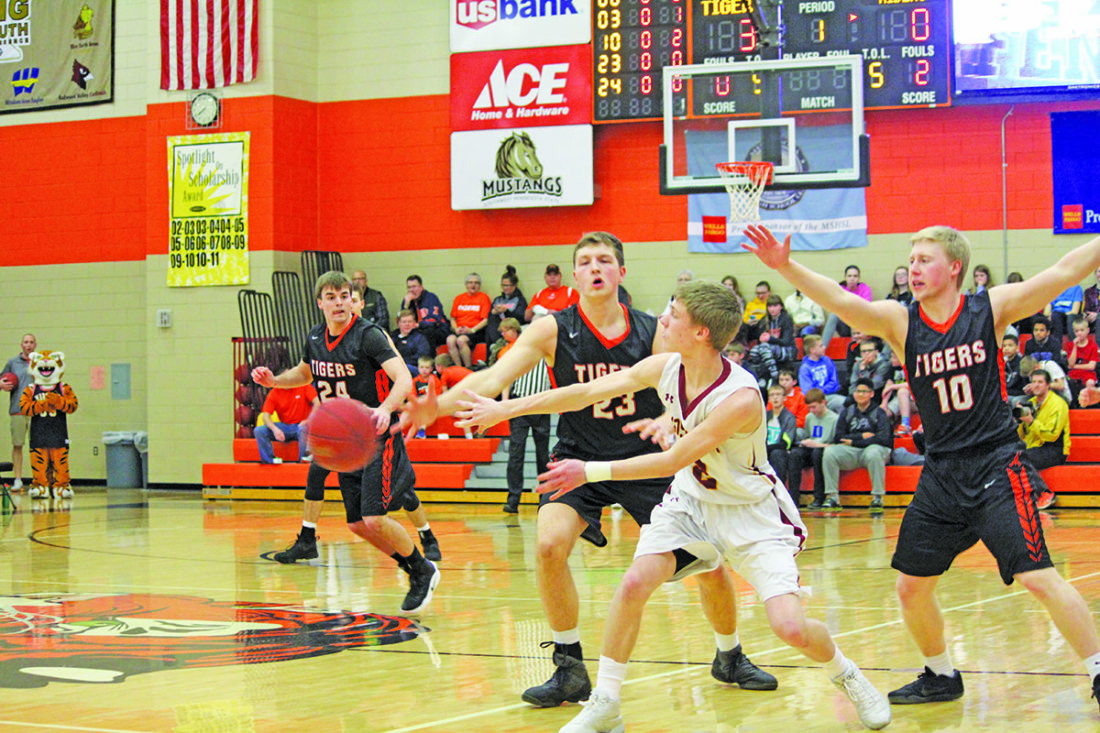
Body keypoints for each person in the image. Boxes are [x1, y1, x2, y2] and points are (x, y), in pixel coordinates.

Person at [454, 280, 891, 732]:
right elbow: (586, 392)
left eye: (673, 313)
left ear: (701, 332)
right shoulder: (666, 365)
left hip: (750, 514)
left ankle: (850, 676)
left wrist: (588, 470)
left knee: (790, 628)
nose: (662, 318)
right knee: (633, 584)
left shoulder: (739, 398)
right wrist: (507, 409)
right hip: (691, 501)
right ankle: (605, 703)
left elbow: (672, 459)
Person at [404, 232, 772, 708]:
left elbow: (685, 382)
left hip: (643, 460)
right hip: (577, 456)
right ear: (574, 275)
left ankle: (729, 654)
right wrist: (437, 408)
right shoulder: (551, 329)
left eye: (604, 260)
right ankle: (569, 666)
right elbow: (490, 380)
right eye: (585, 261)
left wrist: (665, 420)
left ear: (621, 272)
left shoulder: (653, 330)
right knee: (549, 543)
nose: (595, 267)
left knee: (707, 563)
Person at [743, 221, 1100, 712]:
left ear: (954, 267)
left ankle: (1098, 670)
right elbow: (845, 304)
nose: (914, 268)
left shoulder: (988, 308)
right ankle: (940, 674)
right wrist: (785, 266)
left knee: (1038, 576)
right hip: (942, 473)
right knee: (911, 587)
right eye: (911, 260)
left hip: (996, 463)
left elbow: (1064, 270)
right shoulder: (900, 320)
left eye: (925, 259)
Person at [253, 271, 440, 614]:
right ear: (320, 302)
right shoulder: (314, 337)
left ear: (352, 299)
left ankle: (421, 567)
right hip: (346, 445)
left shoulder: (368, 335)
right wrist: (275, 381)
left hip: (378, 437)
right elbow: (305, 372)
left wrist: (385, 409)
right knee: (356, 524)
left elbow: (403, 378)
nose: (338, 302)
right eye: (331, 296)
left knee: (373, 518)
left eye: (344, 295)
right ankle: (415, 566)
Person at [821, 378, 893, 513]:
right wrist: (860, 437)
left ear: (871, 394)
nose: (860, 394)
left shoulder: (879, 413)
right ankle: (832, 497)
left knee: (873, 452)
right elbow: (838, 437)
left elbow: (883, 439)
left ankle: (877, 496)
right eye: (858, 391)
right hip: (852, 452)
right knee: (830, 452)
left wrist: (854, 441)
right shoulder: (848, 412)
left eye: (864, 392)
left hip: (874, 450)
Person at [503, 352, 552, 514]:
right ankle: (513, 500)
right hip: (519, 406)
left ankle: (545, 499)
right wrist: (504, 403)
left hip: (542, 406)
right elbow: (507, 377)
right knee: (516, 454)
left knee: (543, 456)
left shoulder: (550, 356)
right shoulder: (520, 356)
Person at [787, 388, 839, 508]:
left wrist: (817, 445)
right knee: (795, 454)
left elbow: (836, 446)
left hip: (824, 451)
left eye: (814, 407)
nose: (811, 410)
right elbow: (808, 436)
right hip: (811, 448)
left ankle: (819, 497)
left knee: (818, 453)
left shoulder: (834, 419)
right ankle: (793, 497)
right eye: (809, 407)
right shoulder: (810, 417)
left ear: (823, 403)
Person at [1018, 369, 1071, 478]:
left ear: (1048, 385)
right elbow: (1021, 435)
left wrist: (1031, 422)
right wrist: (1018, 419)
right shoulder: (1030, 403)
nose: (1036, 385)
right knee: (1004, 456)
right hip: (1033, 446)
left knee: (1020, 460)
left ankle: (1039, 492)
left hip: (1055, 449)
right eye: (1034, 382)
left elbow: (1052, 436)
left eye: (1040, 382)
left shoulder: (1058, 404)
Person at [0, 333, 36, 491]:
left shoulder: (41, 362)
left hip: (37, 410)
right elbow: (1, 379)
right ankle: (18, 479)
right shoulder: (12, 363)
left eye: (31, 342)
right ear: (21, 345)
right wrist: (1, 384)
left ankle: (39, 480)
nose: (28, 345)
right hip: (18, 409)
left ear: (35, 345)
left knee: (38, 447)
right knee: (18, 445)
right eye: (26, 342)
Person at [255, 383, 317, 464]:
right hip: (285, 426)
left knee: (304, 428)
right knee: (259, 430)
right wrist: (275, 429)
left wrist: (309, 420)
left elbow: (317, 403)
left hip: (301, 425)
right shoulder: (274, 393)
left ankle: (303, 458)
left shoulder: (304, 386)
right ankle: (269, 460)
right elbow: (265, 416)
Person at [747, 295, 797, 387]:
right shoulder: (765, 319)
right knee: (754, 351)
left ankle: (774, 376)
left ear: (781, 307)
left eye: (775, 306)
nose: (772, 309)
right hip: (769, 351)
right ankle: (762, 375)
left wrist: (770, 339)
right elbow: (755, 337)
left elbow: (785, 341)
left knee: (765, 348)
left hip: (788, 350)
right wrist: (752, 327)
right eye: (770, 306)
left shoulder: (786, 319)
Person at [447, 272, 492, 368]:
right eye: (470, 282)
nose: (473, 285)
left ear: (479, 285)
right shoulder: (459, 298)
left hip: (476, 331)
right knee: (450, 340)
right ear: (466, 285)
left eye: (476, 282)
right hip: (460, 330)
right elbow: (453, 318)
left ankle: (468, 367)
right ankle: (458, 368)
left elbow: (485, 320)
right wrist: (456, 329)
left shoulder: (483, 298)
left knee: (461, 340)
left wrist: (472, 330)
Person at [821, 265, 872, 347]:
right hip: (844, 325)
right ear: (845, 277)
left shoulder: (865, 289)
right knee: (834, 315)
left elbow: (865, 308)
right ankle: (822, 347)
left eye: (855, 276)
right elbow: (836, 307)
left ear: (859, 278)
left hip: (859, 324)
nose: (852, 278)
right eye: (849, 276)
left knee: (856, 317)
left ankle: (855, 350)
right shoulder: (840, 289)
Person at [764, 383, 797, 501]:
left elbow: (786, 443)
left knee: (776, 454)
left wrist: (767, 448)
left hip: (780, 451)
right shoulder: (765, 416)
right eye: (772, 395)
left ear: (784, 398)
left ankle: (779, 495)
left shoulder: (789, 417)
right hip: (765, 450)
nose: (775, 398)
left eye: (778, 395)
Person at [401, 275, 450, 351]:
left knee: (427, 332)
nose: (411, 290)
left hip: (439, 330)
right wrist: (406, 305)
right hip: (418, 329)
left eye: (414, 287)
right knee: (398, 334)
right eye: (409, 287)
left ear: (421, 287)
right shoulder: (407, 300)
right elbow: (402, 319)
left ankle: (429, 360)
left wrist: (417, 325)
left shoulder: (431, 298)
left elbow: (433, 321)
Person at [798, 334, 845, 412]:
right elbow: (808, 392)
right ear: (812, 350)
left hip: (830, 395)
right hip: (815, 400)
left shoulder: (827, 360)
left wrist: (822, 391)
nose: (824, 347)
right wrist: (820, 394)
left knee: (845, 402)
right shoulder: (805, 368)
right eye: (821, 346)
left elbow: (834, 383)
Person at [486, 265, 527, 346]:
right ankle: (492, 352)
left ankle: (498, 345)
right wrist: (493, 313)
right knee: (490, 325)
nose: (505, 288)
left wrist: (506, 311)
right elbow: (489, 317)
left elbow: (522, 318)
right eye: (503, 285)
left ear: (514, 285)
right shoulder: (497, 300)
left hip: (511, 330)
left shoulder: (520, 300)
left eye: (507, 285)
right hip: (497, 330)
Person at [880, 350, 915, 435]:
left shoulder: (913, 366)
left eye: (894, 357)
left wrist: (893, 387)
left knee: (902, 391)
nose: (891, 360)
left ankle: (905, 424)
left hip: (916, 400)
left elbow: (913, 384)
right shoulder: (892, 368)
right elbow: (887, 387)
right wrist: (884, 403)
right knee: (882, 412)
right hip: (901, 401)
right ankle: (884, 433)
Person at [1065, 316, 1098, 402]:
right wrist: (1075, 346)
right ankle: (1074, 403)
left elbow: (1091, 366)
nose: (1079, 333)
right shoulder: (1070, 345)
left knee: (1090, 383)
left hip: (1088, 374)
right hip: (1074, 374)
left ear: (1088, 330)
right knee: (1068, 383)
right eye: (1077, 331)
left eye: (1082, 330)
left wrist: (1074, 366)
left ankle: (1087, 403)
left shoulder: (1093, 346)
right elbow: (1070, 364)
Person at [849, 338, 892, 403]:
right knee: (849, 400)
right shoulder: (858, 365)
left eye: (869, 351)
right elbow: (852, 385)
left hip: (877, 395)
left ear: (876, 352)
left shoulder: (884, 364)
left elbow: (876, 385)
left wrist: (863, 371)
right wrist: (856, 394)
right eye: (864, 351)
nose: (866, 353)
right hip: (860, 394)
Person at [392, 309, 431, 378]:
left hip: (414, 368)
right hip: (395, 367)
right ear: (399, 323)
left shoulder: (420, 338)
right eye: (404, 322)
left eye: (409, 322)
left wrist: (402, 362)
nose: (407, 324)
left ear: (414, 323)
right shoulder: (392, 337)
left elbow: (422, 356)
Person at [1002, 333, 1029, 407]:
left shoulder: (1022, 363)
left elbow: (1024, 388)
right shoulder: (1003, 364)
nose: (1006, 348)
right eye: (1004, 346)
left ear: (1017, 348)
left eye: (1010, 345)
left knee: (1008, 399)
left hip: (1021, 395)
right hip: (1008, 393)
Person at [1083, 265, 1100, 337]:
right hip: (1091, 321)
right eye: (1099, 271)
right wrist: (1087, 315)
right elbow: (1086, 309)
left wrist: (1097, 315)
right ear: (1095, 273)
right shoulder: (1089, 291)